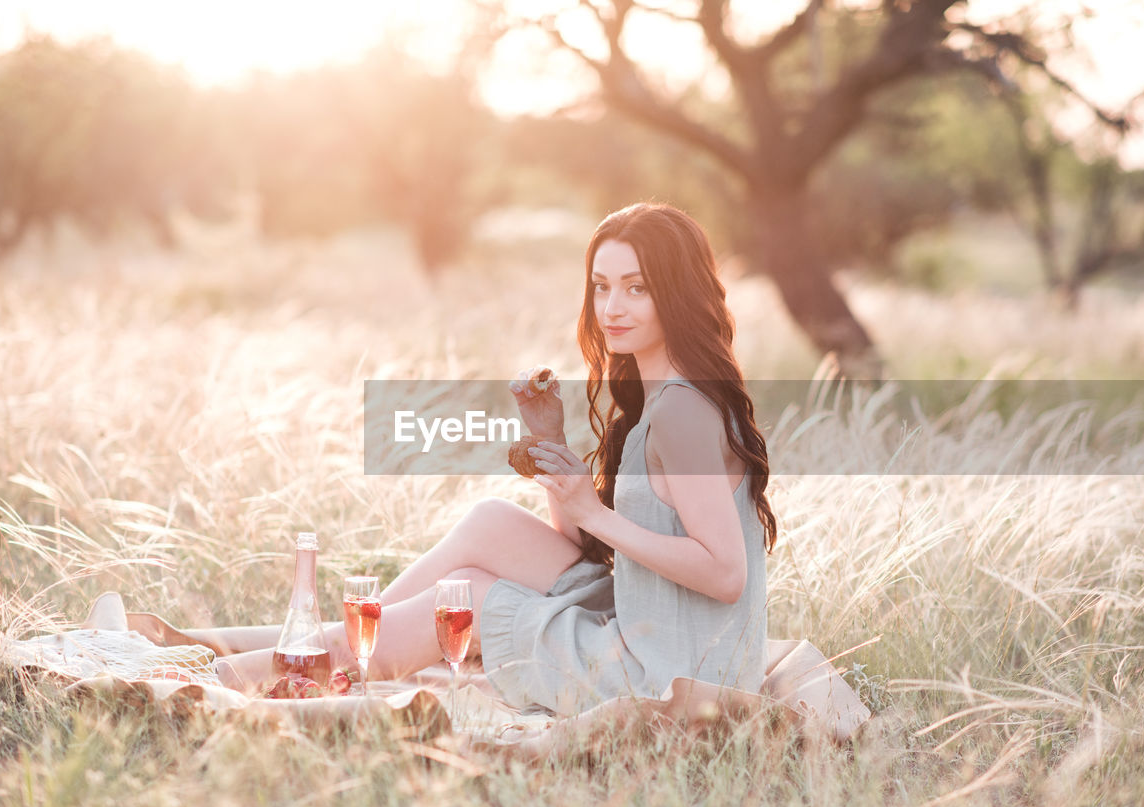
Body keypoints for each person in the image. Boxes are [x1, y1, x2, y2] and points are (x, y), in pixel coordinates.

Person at [151, 202, 778, 715]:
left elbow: (725, 574)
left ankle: (225, 675)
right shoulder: (661, 401)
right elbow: (588, 543)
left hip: (673, 677)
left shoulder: (685, 413)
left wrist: (596, 511)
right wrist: (552, 450)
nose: (612, 308)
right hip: (652, 626)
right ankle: (312, 646)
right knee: (490, 522)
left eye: (637, 289)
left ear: (677, 294)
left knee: (465, 597)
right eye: (601, 287)